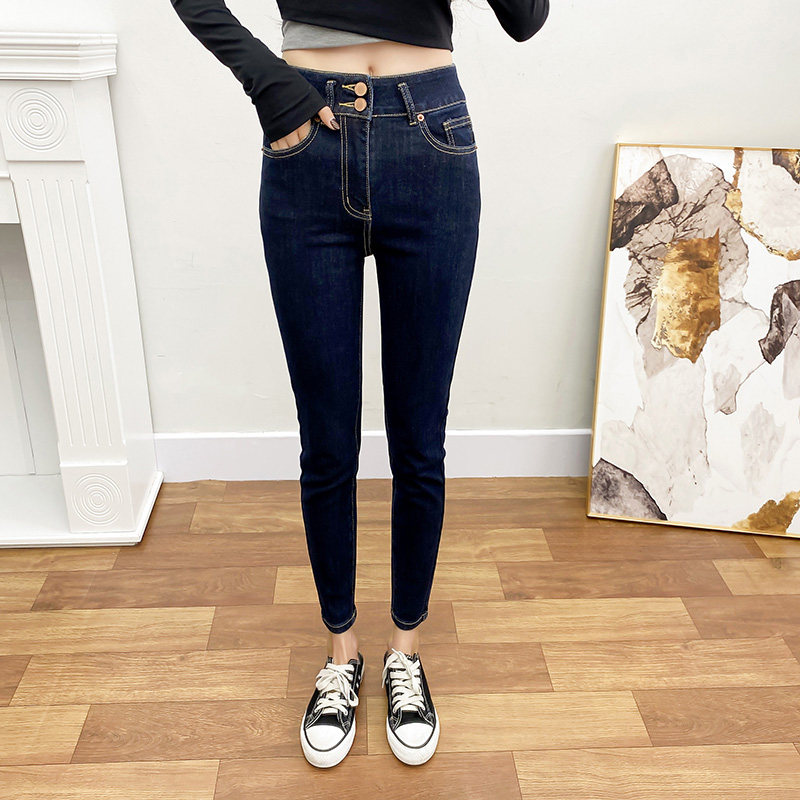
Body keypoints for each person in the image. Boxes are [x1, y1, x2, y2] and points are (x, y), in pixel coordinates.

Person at [169, 0, 550, 769]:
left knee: (419, 439)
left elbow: (525, 17)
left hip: (432, 136)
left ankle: (405, 653)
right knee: (327, 441)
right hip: (306, 140)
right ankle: (341, 654)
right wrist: (267, 82)